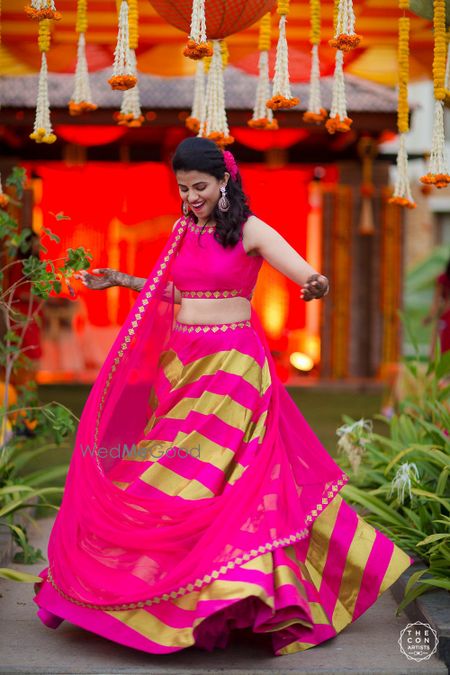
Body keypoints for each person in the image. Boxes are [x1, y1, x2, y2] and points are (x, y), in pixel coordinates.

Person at [33, 137, 414, 657]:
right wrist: (121, 279)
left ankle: (232, 594)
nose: (191, 197)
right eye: (183, 188)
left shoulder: (251, 231)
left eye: (199, 187)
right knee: (167, 472)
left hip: (234, 368)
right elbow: (178, 293)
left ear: (224, 182)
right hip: (182, 367)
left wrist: (316, 284)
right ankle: (158, 589)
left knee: (218, 478)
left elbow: (305, 272)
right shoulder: (181, 231)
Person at [423, 255, 450, 357]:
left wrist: (430, 317)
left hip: (445, 313)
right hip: (445, 314)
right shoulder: (443, 279)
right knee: (441, 342)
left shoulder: (442, 279)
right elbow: (436, 301)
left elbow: (436, 302)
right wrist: (430, 317)